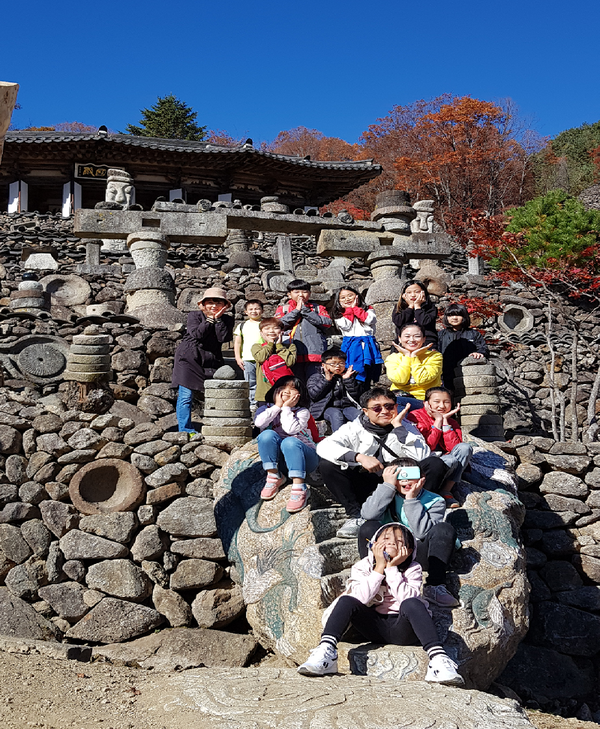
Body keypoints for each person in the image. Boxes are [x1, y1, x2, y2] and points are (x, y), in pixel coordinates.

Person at [297, 522, 463, 685]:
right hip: (373, 627)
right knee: (348, 600)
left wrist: (391, 569)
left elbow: (408, 597)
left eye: (399, 541)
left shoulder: (414, 568)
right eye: (385, 538)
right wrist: (379, 568)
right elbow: (361, 598)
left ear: (409, 550)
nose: (392, 542)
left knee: (412, 603)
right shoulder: (362, 566)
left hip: (403, 629)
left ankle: (438, 660)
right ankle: (326, 652)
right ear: (373, 544)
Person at [316, 386, 448, 538]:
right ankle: (356, 515)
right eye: (377, 408)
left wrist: (399, 428)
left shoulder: (406, 427)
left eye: (389, 406)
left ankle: (414, 509)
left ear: (396, 407)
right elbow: (325, 446)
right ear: (366, 411)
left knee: (434, 464)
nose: (384, 411)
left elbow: (422, 455)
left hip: (402, 484)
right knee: (327, 465)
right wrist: (359, 457)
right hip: (367, 482)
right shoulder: (353, 428)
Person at [360, 458, 460, 608]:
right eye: (399, 475)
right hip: (389, 552)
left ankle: (435, 586)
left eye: (411, 475)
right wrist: (387, 486)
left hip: (422, 552)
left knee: (444, 529)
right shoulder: (385, 495)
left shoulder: (435, 501)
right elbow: (368, 514)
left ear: (421, 478)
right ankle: (374, 579)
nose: (406, 480)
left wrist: (411, 499)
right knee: (368, 527)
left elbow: (422, 532)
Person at [172, 287, 234, 435]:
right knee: (186, 396)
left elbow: (223, 338)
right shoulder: (194, 315)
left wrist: (218, 320)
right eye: (210, 302)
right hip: (189, 358)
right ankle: (185, 430)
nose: (214, 306)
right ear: (203, 304)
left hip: (212, 358)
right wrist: (210, 320)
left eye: (218, 302)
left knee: (217, 393)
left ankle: (217, 426)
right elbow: (197, 334)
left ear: (224, 305)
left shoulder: (227, 319)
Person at [407, 387, 473, 508]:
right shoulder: (415, 416)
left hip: (446, 461)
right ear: (426, 403)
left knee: (465, 448)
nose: (442, 406)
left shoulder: (452, 422)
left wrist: (445, 422)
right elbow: (427, 447)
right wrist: (437, 421)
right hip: (427, 463)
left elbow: (456, 448)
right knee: (449, 460)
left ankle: (446, 490)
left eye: (446, 402)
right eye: (436, 402)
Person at [275, 279, 332, 381]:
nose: (301, 295)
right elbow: (278, 325)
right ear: (289, 294)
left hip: (314, 354)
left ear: (309, 294)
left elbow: (327, 324)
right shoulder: (283, 309)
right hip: (292, 354)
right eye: (296, 292)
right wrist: (296, 311)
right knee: (296, 384)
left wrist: (305, 310)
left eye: (304, 292)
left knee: (315, 384)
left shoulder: (318, 308)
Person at [331, 286, 383, 389]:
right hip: (352, 346)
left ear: (357, 296)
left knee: (369, 372)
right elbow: (346, 325)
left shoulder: (368, 310)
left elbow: (369, 320)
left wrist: (356, 309)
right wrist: (350, 311)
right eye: (343, 297)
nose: (347, 299)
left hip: (368, 344)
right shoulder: (338, 315)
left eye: (350, 295)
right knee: (353, 372)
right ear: (338, 301)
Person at [384, 323, 443, 411]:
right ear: (399, 338)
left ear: (424, 339)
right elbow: (399, 380)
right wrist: (408, 356)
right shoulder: (393, 358)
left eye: (417, 336)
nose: (412, 340)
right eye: (407, 336)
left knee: (396, 404)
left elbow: (423, 379)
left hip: (425, 400)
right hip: (399, 397)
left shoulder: (434, 356)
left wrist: (414, 357)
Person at [307, 347, 362, 432]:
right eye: (333, 364)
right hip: (326, 409)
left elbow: (358, 396)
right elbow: (314, 396)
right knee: (336, 415)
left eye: (341, 363)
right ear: (324, 365)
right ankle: (339, 441)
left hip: (347, 407)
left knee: (359, 416)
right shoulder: (316, 377)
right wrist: (326, 380)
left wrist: (348, 380)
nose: (337, 366)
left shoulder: (349, 375)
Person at [438, 303, 490, 391]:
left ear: (464, 316)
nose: (454, 318)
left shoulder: (473, 334)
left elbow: (483, 348)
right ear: (446, 318)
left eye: (458, 315)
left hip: (469, 374)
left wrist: (480, 353)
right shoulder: (441, 335)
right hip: (446, 374)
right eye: (451, 315)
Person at [251, 318, 297, 406]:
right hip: (264, 392)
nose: (271, 331)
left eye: (276, 328)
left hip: (285, 392)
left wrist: (279, 345)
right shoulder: (257, 346)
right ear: (261, 333)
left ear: (281, 331)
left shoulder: (290, 347)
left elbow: (290, 362)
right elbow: (261, 358)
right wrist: (270, 344)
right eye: (267, 328)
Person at [233, 299, 264, 411]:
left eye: (257, 308)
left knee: (264, 381)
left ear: (262, 310)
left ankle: (264, 401)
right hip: (247, 358)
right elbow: (238, 342)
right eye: (251, 309)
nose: (254, 311)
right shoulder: (242, 326)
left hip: (263, 358)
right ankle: (253, 402)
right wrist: (237, 357)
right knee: (251, 381)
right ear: (246, 312)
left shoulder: (266, 324)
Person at [392, 280, 438, 349]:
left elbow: (424, 322)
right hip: (404, 344)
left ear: (423, 293)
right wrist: (410, 307)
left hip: (426, 344)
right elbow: (399, 322)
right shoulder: (400, 308)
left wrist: (417, 307)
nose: (413, 295)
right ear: (404, 295)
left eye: (417, 292)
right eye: (409, 292)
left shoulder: (430, 307)